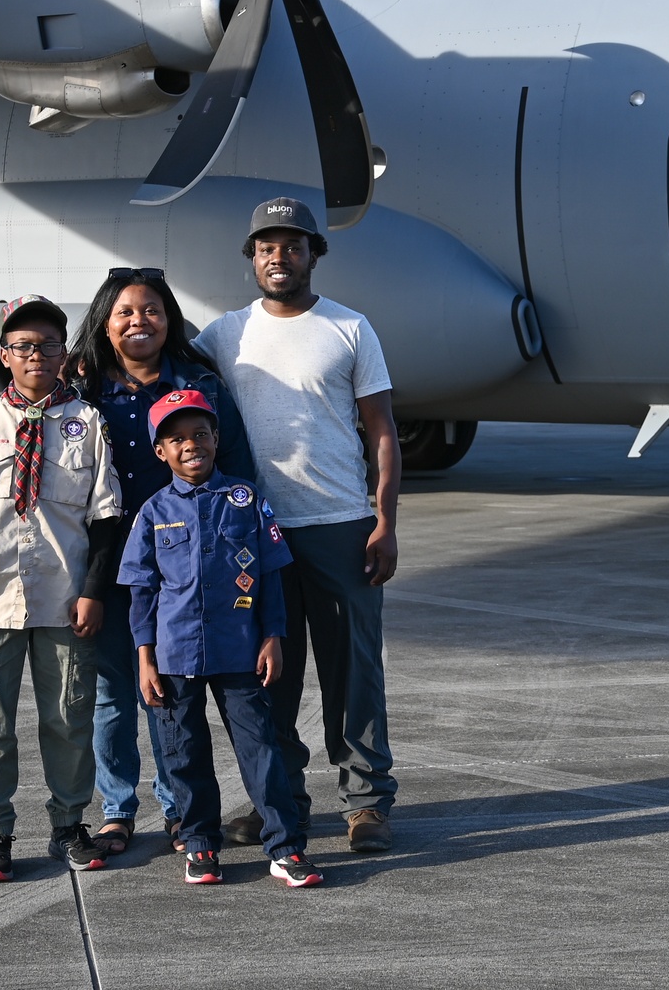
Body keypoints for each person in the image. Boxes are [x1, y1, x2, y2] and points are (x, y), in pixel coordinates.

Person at [192, 197, 400, 854]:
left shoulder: (349, 328)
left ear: (314, 252)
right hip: (256, 533)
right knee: (268, 676)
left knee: (353, 672)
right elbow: (159, 376)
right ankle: (277, 796)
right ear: (251, 258)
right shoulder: (225, 334)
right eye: (265, 246)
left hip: (341, 524)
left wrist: (384, 518)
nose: (277, 257)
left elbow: (383, 430)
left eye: (291, 245)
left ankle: (366, 803)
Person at [0, 294, 121, 882]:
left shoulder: (86, 423)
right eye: (24, 346)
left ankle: (68, 824)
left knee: (68, 720)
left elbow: (107, 517)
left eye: (49, 345)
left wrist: (93, 591)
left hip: (64, 599)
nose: (37, 355)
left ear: (66, 353)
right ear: (4, 355)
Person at [67, 267, 255, 854]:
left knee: (165, 693)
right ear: (105, 323)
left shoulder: (200, 384)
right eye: (124, 312)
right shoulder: (83, 390)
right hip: (102, 564)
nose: (138, 321)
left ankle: (178, 809)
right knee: (112, 693)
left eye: (151, 310)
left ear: (168, 318)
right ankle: (117, 811)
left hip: (181, 573)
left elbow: (239, 473)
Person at [118, 388, 323, 888]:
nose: (191, 445)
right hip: (173, 655)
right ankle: (201, 844)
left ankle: (285, 847)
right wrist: (145, 658)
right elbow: (142, 592)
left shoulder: (246, 500)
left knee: (261, 749)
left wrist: (273, 636)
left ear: (216, 439)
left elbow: (273, 576)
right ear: (160, 451)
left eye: (200, 434)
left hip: (241, 651)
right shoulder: (152, 512)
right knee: (183, 753)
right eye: (177, 438)